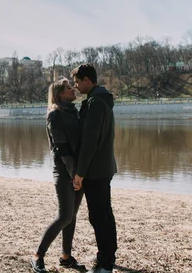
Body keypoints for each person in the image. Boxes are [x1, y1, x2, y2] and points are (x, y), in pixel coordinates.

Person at [30, 78, 86, 273]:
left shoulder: (74, 112)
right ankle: (38, 255)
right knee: (64, 216)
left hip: (78, 172)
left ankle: (66, 257)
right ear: (60, 94)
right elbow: (62, 149)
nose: (73, 89)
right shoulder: (55, 115)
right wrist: (74, 175)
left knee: (72, 216)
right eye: (69, 88)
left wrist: (80, 172)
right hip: (65, 173)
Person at [71, 64, 118, 273]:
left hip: (96, 170)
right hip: (104, 167)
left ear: (87, 80)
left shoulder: (95, 103)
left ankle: (105, 263)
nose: (76, 86)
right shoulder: (102, 100)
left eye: (78, 82)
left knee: (98, 216)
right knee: (105, 213)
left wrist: (80, 172)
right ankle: (108, 254)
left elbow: (90, 141)